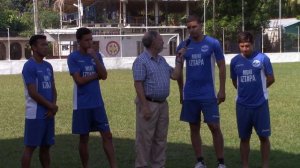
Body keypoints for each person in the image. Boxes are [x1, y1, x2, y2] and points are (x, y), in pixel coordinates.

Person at [176, 15, 226, 168]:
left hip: (208, 94)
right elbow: (178, 72)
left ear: (201, 26)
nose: (191, 30)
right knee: (194, 127)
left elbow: (222, 67)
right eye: (189, 27)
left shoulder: (213, 43)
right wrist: (181, 93)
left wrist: (222, 90)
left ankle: (221, 162)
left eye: (194, 26)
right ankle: (200, 161)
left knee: (214, 126)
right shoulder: (183, 46)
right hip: (190, 94)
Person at [67, 27, 117, 168]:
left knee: (107, 135)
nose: (90, 43)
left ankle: (114, 165)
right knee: (84, 138)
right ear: (79, 41)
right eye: (86, 40)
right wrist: (96, 75)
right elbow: (79, 81)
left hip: (97, 103)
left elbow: (105, 75)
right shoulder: (73, 58)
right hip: (82, 104)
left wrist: (94, 57)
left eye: (91, 39)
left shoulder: (97, 56)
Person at [132, 31, 182, 168]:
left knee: (160, 138)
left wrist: (179, 60)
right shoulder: (141, 61)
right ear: (153, 42)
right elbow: (138, 84)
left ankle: (158, 165)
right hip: (148, 103)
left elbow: (175, 75)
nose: (163, 42)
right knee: (144, 139)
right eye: (160, 40)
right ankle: (141, 165)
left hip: (162, 105)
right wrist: (145, 106)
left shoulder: (162, 60)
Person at [230, 32, 275, 168]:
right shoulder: (235, 61)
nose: (245, 49)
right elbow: (234, 81)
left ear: (252, 44)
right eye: (242, 46)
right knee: (244, 138)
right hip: (242, 105)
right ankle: (245, 165)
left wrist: (260, 89)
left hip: (260, 104)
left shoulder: (263, 59)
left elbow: (271, 78)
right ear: (239, 45)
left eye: (247, 46)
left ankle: (265, 165)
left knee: (263, 137)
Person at [21, 35, 58, 168]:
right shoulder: (29, 66)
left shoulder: (48, 66)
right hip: (35, 113)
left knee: (46, 147)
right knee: (30, 148)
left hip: (48, 112)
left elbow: (53, 88)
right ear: (34, 48)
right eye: (42, 45)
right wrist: (51, 107)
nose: (45, 47)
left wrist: (52, 106)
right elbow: (33, 92)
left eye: (46, 44)